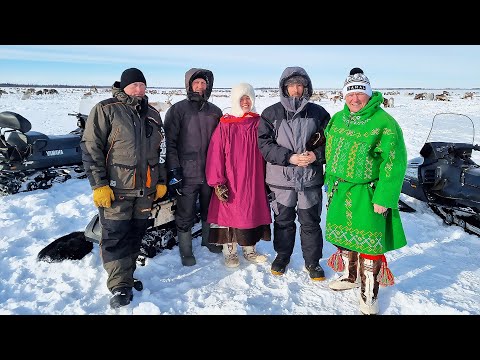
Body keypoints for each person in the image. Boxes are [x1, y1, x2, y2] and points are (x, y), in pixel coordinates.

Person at [80, 67, 167, 309]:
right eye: (134, 85)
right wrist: (99, 184)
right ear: (123, 86)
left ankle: (126, 277)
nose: (139, 89)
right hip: (116, 189)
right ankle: (118, 286)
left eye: (142, 85)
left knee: (135, 235)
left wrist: (159, 181)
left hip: (144, 191)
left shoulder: (152, 114)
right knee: (115, 236)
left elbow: (159, 152)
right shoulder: (106, 109)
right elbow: (90, 148)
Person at [324, 67, 408, 315]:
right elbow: (330, 152)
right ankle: (351, 277)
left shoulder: (384, 123)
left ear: (369, 94)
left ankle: (369, 295)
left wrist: (385, 196)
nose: (355, 98)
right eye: (350, 94)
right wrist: (330, 181)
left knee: (370, 245)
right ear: (344, 96)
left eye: (360, 93)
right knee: (345, 239)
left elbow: (394, 162)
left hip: (369, 192)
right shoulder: (337, 119)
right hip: (340, 190)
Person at [258, 66, 331, 280]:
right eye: (292, 85)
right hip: (281, 180)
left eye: (300, 85)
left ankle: (313, 262)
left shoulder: (319, 113)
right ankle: (282, 256)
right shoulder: (271, 113)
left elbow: (332, 143)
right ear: (284, 88)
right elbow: (264, 144)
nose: (296, 89)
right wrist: (289, 157)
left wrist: (316, 155)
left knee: (310, 223)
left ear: (306, 87)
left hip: (310, 180)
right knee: (283, 222)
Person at [205, 83, 272, 268]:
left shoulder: (259, 123)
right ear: (235, 100)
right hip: (231, 179)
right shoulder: (225, 125)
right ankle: (230, 251)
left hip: (254, 179)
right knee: (230, 214)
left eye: (248, 98)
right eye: (241, 98)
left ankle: (249, 249)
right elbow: (215, 154)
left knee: (251, 213)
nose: (245, 102)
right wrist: (217, 182)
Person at [164, 68, 223, 266]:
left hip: (210, 171)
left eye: (203, 83)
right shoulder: (178, 110)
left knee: (209, 208)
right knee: (185, 212)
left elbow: (222, 143)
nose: (200, 86)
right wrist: (174, 170)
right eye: (196, 83)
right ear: (189, 85)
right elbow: (170, 143)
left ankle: (207, 240)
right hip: (186, 172)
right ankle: (186, 249)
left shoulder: (215, 112)